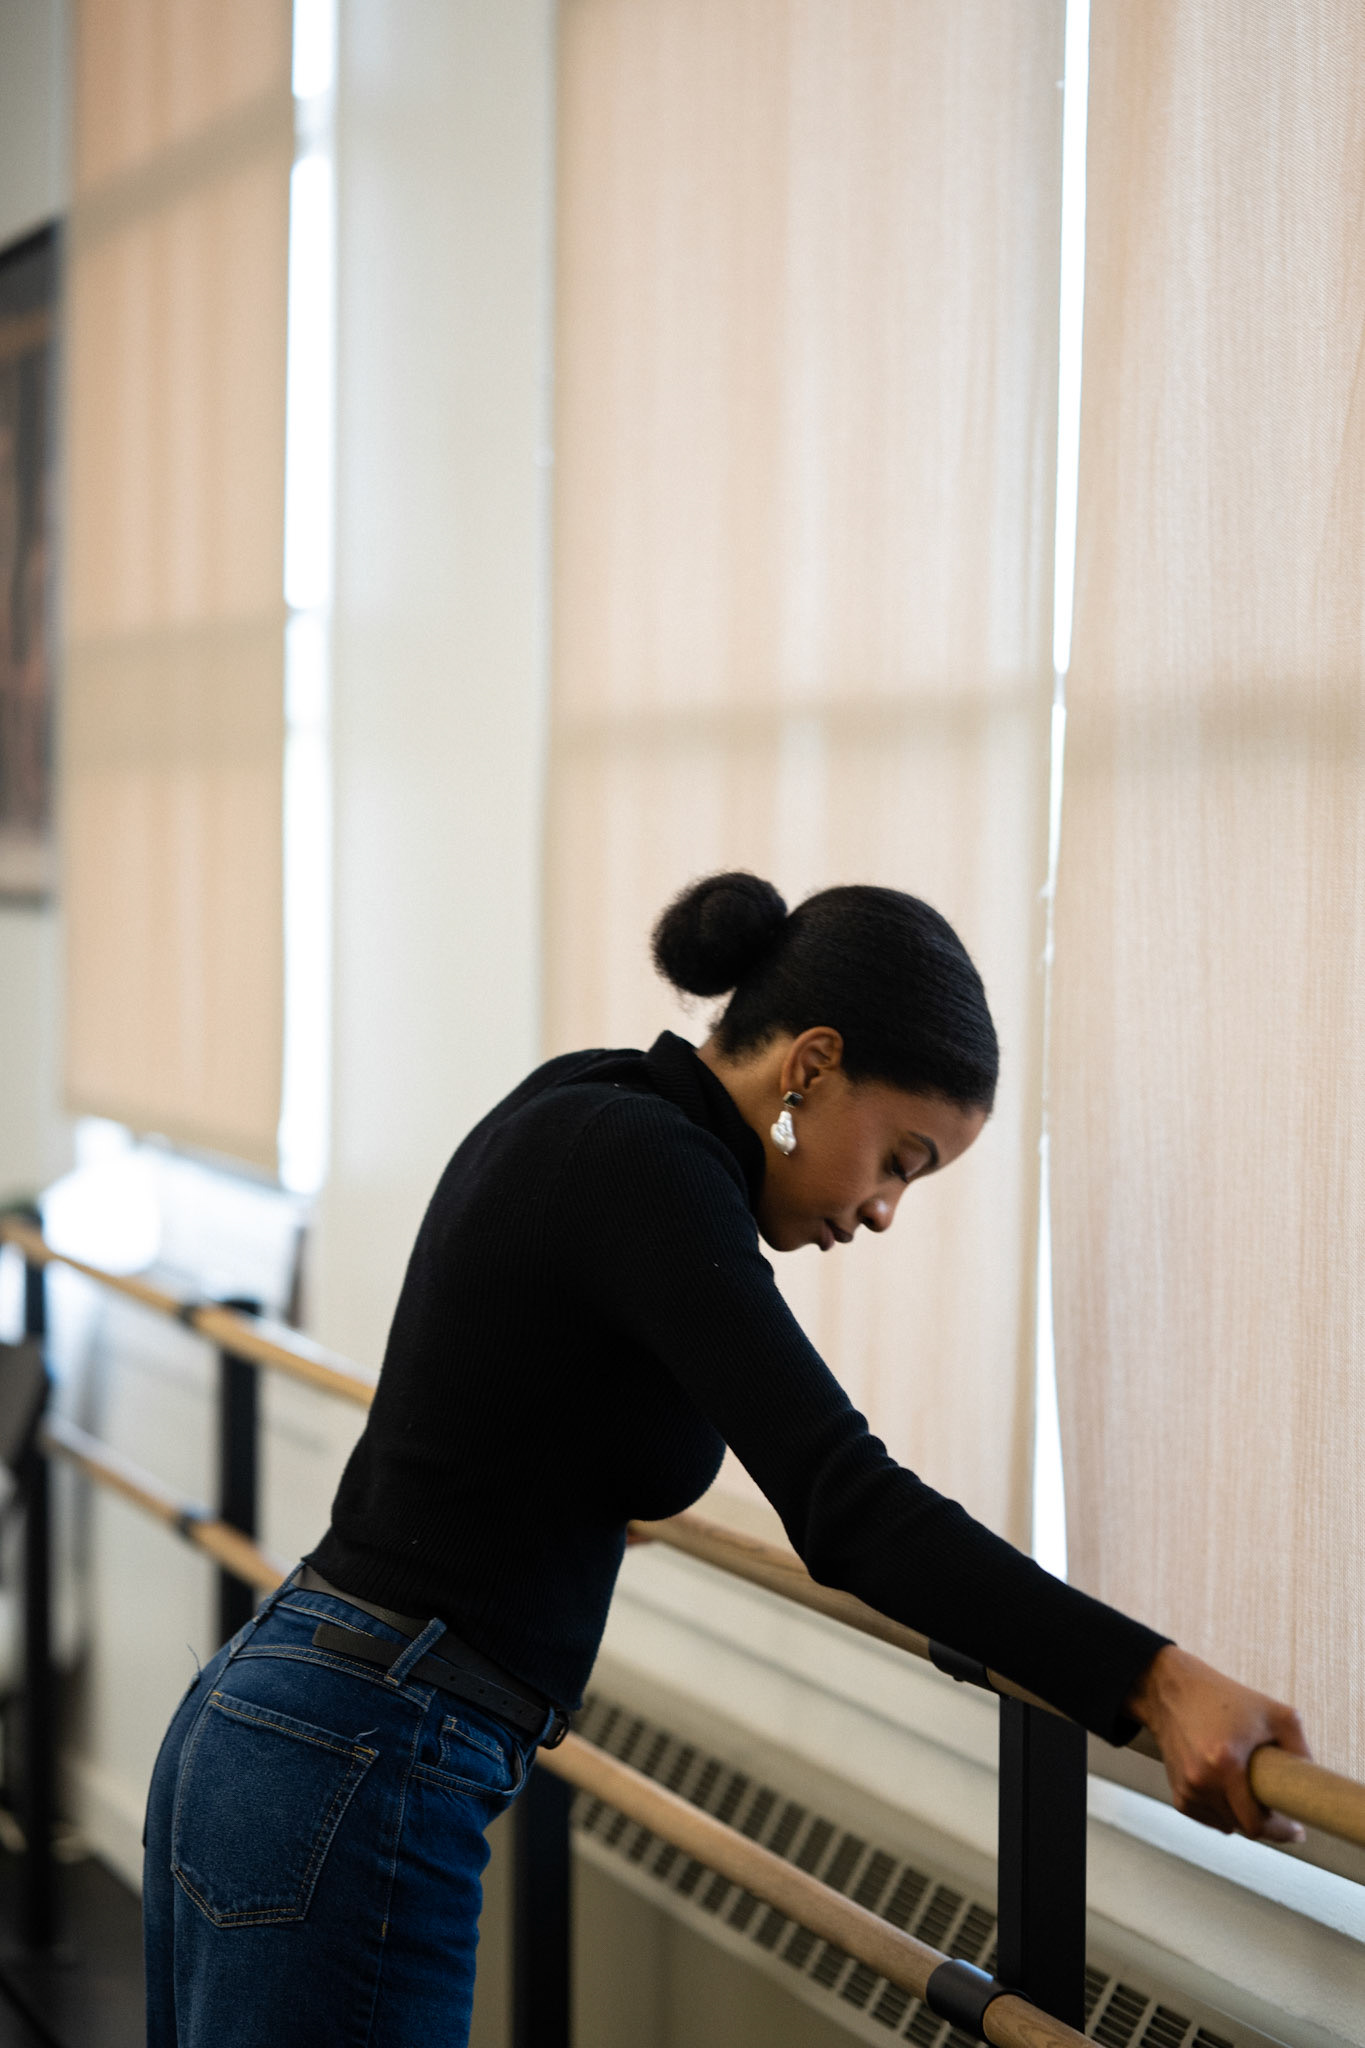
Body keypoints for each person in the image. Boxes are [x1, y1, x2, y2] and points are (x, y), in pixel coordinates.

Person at [142, 872, 1309, 2047]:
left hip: (281, 1721)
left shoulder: (592, 1099)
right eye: (901, 1157)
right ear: (809, 1064)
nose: (888, 1208)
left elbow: (528, 1400)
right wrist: (1153, 1678)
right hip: (364, 1755)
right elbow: (846, 1501)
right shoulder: (651, 1169)